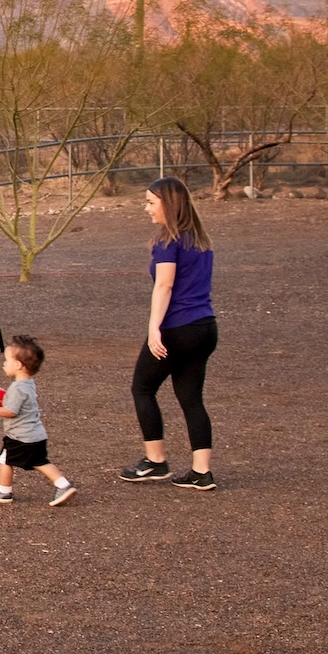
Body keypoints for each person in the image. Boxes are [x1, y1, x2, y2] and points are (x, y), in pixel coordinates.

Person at [123, 176, 220, 490]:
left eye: (151, 202)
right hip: (205, 328)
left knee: (142, 388)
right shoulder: (200, 241)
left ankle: (155, 461)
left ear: (169, 204)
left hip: (177, 329)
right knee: (191, 399)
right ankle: (201, 472)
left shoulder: (168, 242)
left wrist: (154, 328)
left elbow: (164, 286)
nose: (146, 208)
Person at [0, 334, 74, 506]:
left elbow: (10, 412)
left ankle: (4, 492)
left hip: (20, 437)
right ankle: (63, 485)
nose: (4, 364)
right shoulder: (29, 383)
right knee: (40, 462)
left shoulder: (17, 388)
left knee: (5, 460)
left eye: (6, 360)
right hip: (36, 434)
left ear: (18, 365)